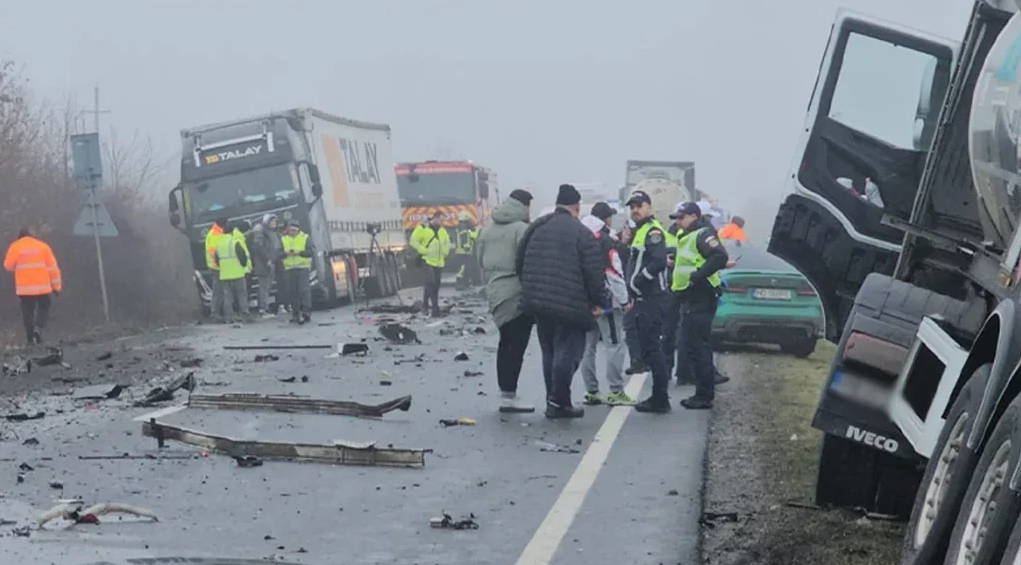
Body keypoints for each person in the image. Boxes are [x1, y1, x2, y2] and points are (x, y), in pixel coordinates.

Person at [517, 184, 604, 418]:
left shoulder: (536, 227)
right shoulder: (581, 232)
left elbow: (520, 260)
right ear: (576, 207)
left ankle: (552, 399)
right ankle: (560, 401)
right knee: (569, 352)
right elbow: (594, 271)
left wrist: (529, 288)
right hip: (571, 304)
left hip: (538, 302)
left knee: (549, 351)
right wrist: (598, 301)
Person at [476, 189, 535, 413]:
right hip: (516, 293)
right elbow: (527, 262)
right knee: (516, 345)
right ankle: (510, 395)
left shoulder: (487, 230)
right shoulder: (522, 229)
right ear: (524, 206)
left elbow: (480, 259)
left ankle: (505, 393)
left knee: (505, 342)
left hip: (495, 292)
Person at [670, 201, 729, 409]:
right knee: (692, 345)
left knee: (698, 346)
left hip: (701, 295)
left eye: (681, 217)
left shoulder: (703, 234)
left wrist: (698, 276)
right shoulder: (686, 236)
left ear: (694, 216)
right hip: (690, 296)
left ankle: (704, 395)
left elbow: (720, 256)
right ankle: (701, 392)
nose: (678, 222)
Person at [623, 190, 674, 414]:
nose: (635, 210)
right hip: (644, 298)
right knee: (649, 349)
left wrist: (637, 281)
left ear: (649, 208)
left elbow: (658, 261)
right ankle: (658, 396)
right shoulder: (640, 230)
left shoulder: (652, 231)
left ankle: (660, 398)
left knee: (654, 350)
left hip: (652, 299)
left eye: (639, 205)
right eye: (632, 206)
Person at [579, 203, 634, 406]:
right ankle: (616, 391)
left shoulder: (579, 238)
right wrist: (625, 300)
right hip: (607, 302)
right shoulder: (606, 242)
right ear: (606, 219)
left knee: (588, 347)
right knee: (614, 344)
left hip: (584, 302)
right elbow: (614, 274)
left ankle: (591, 390)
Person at [4, 227, 61, 345]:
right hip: (43, 287)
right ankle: (38, 329)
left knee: (28, 313)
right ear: (31, 235)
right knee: (44, 308)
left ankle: (30, 340)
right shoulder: (43, 246)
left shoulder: (15, 246)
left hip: (25, 289)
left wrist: (19, 266)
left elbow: (8, 266)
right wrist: (56, 286)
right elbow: (53, 268)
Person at [410, 211, 451, 317]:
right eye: (441, 220)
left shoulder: (443, 231)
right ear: (435, 218)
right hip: (427, 260)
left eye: (443, 221)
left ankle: (425, 305)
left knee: (436, 285)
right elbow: (413, 240)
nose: (442, 223)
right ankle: (435, 309)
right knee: (430, 283)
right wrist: (422, 249)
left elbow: (447, 242)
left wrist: (445, 251)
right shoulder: (422, 228)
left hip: (439, 261)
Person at [215, 220, 251, 324]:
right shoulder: (235, 242)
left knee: (227, 296)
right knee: (241, 294)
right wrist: (243, 266)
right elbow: (243, 257)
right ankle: (244, 314)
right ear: (232, 231)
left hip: (225, 275)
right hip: (237, 273)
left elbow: (216, 260)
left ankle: (228, 317)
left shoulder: (219, 244)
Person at [281, 220, 314, 324]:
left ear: (298, 229)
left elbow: (311, 251)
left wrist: (299, 253)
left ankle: (306, 313)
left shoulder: (305, 237)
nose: (292, 232)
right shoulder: (283, 239)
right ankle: (295, 314)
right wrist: (285, 253)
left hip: (302, 268)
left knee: (304, 291)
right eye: (290, 230)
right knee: (292, 292)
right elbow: (277, 253)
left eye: (294, 230)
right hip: (289, 269)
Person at [248, 219, 275, 317]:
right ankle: (263, 309)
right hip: (264, 265)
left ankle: (264, 308)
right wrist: (268, 260)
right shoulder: (259, 236)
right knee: (264, 288)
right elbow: (260, 249)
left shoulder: (260, 236)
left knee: (266, 287)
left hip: (266, 264)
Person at [263, 214, 285, 314]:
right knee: (267, 285)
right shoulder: (264, 234)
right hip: (269, 262)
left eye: (275, 222)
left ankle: (281, 305)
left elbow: (280, 247)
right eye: (271, 222)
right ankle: (264, 307)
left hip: (278, 261)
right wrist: (269, 259)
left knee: (281, 284)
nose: (274, 224)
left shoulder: (277, 234)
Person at [205, 218, 227, 321]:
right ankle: (215, 313)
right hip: (216, 267)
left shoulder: (218, 232)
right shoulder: (214, 234)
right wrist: (219, 264)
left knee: (221, 291)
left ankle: (218, 313)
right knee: (218, 291)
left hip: (219, 266)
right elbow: (214, 252)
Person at [453, 211, 481, 289]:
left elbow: (471, 236)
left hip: (463, 252)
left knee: (465, 268)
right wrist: (466, 246)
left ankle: (464, 283)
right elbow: (464, 238)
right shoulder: (463, 226)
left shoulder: (463, 226)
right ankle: (461, 284)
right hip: (464, 252)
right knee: (463, 268)